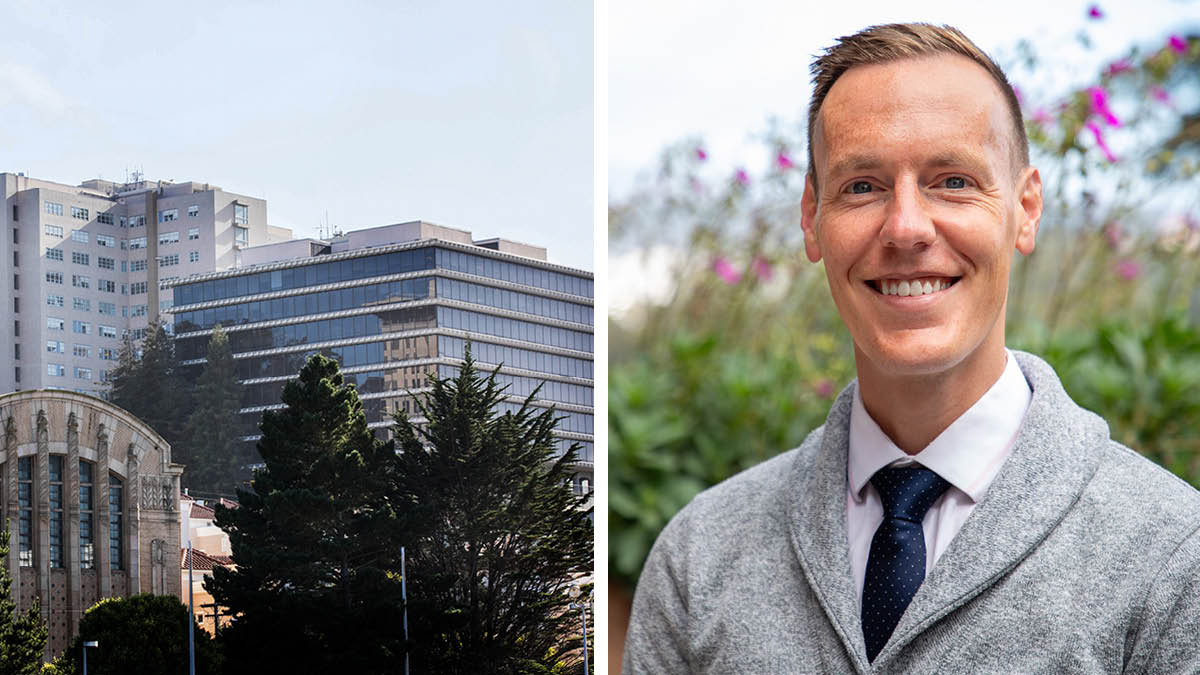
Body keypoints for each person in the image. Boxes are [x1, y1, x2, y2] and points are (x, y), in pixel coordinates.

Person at [623, 23, 1200, 674]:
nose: (905, 227)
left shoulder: (1175, 560)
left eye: (952, 181)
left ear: (1026, 207)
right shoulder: (698, 559)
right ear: (812, 217)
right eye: (862, 185)